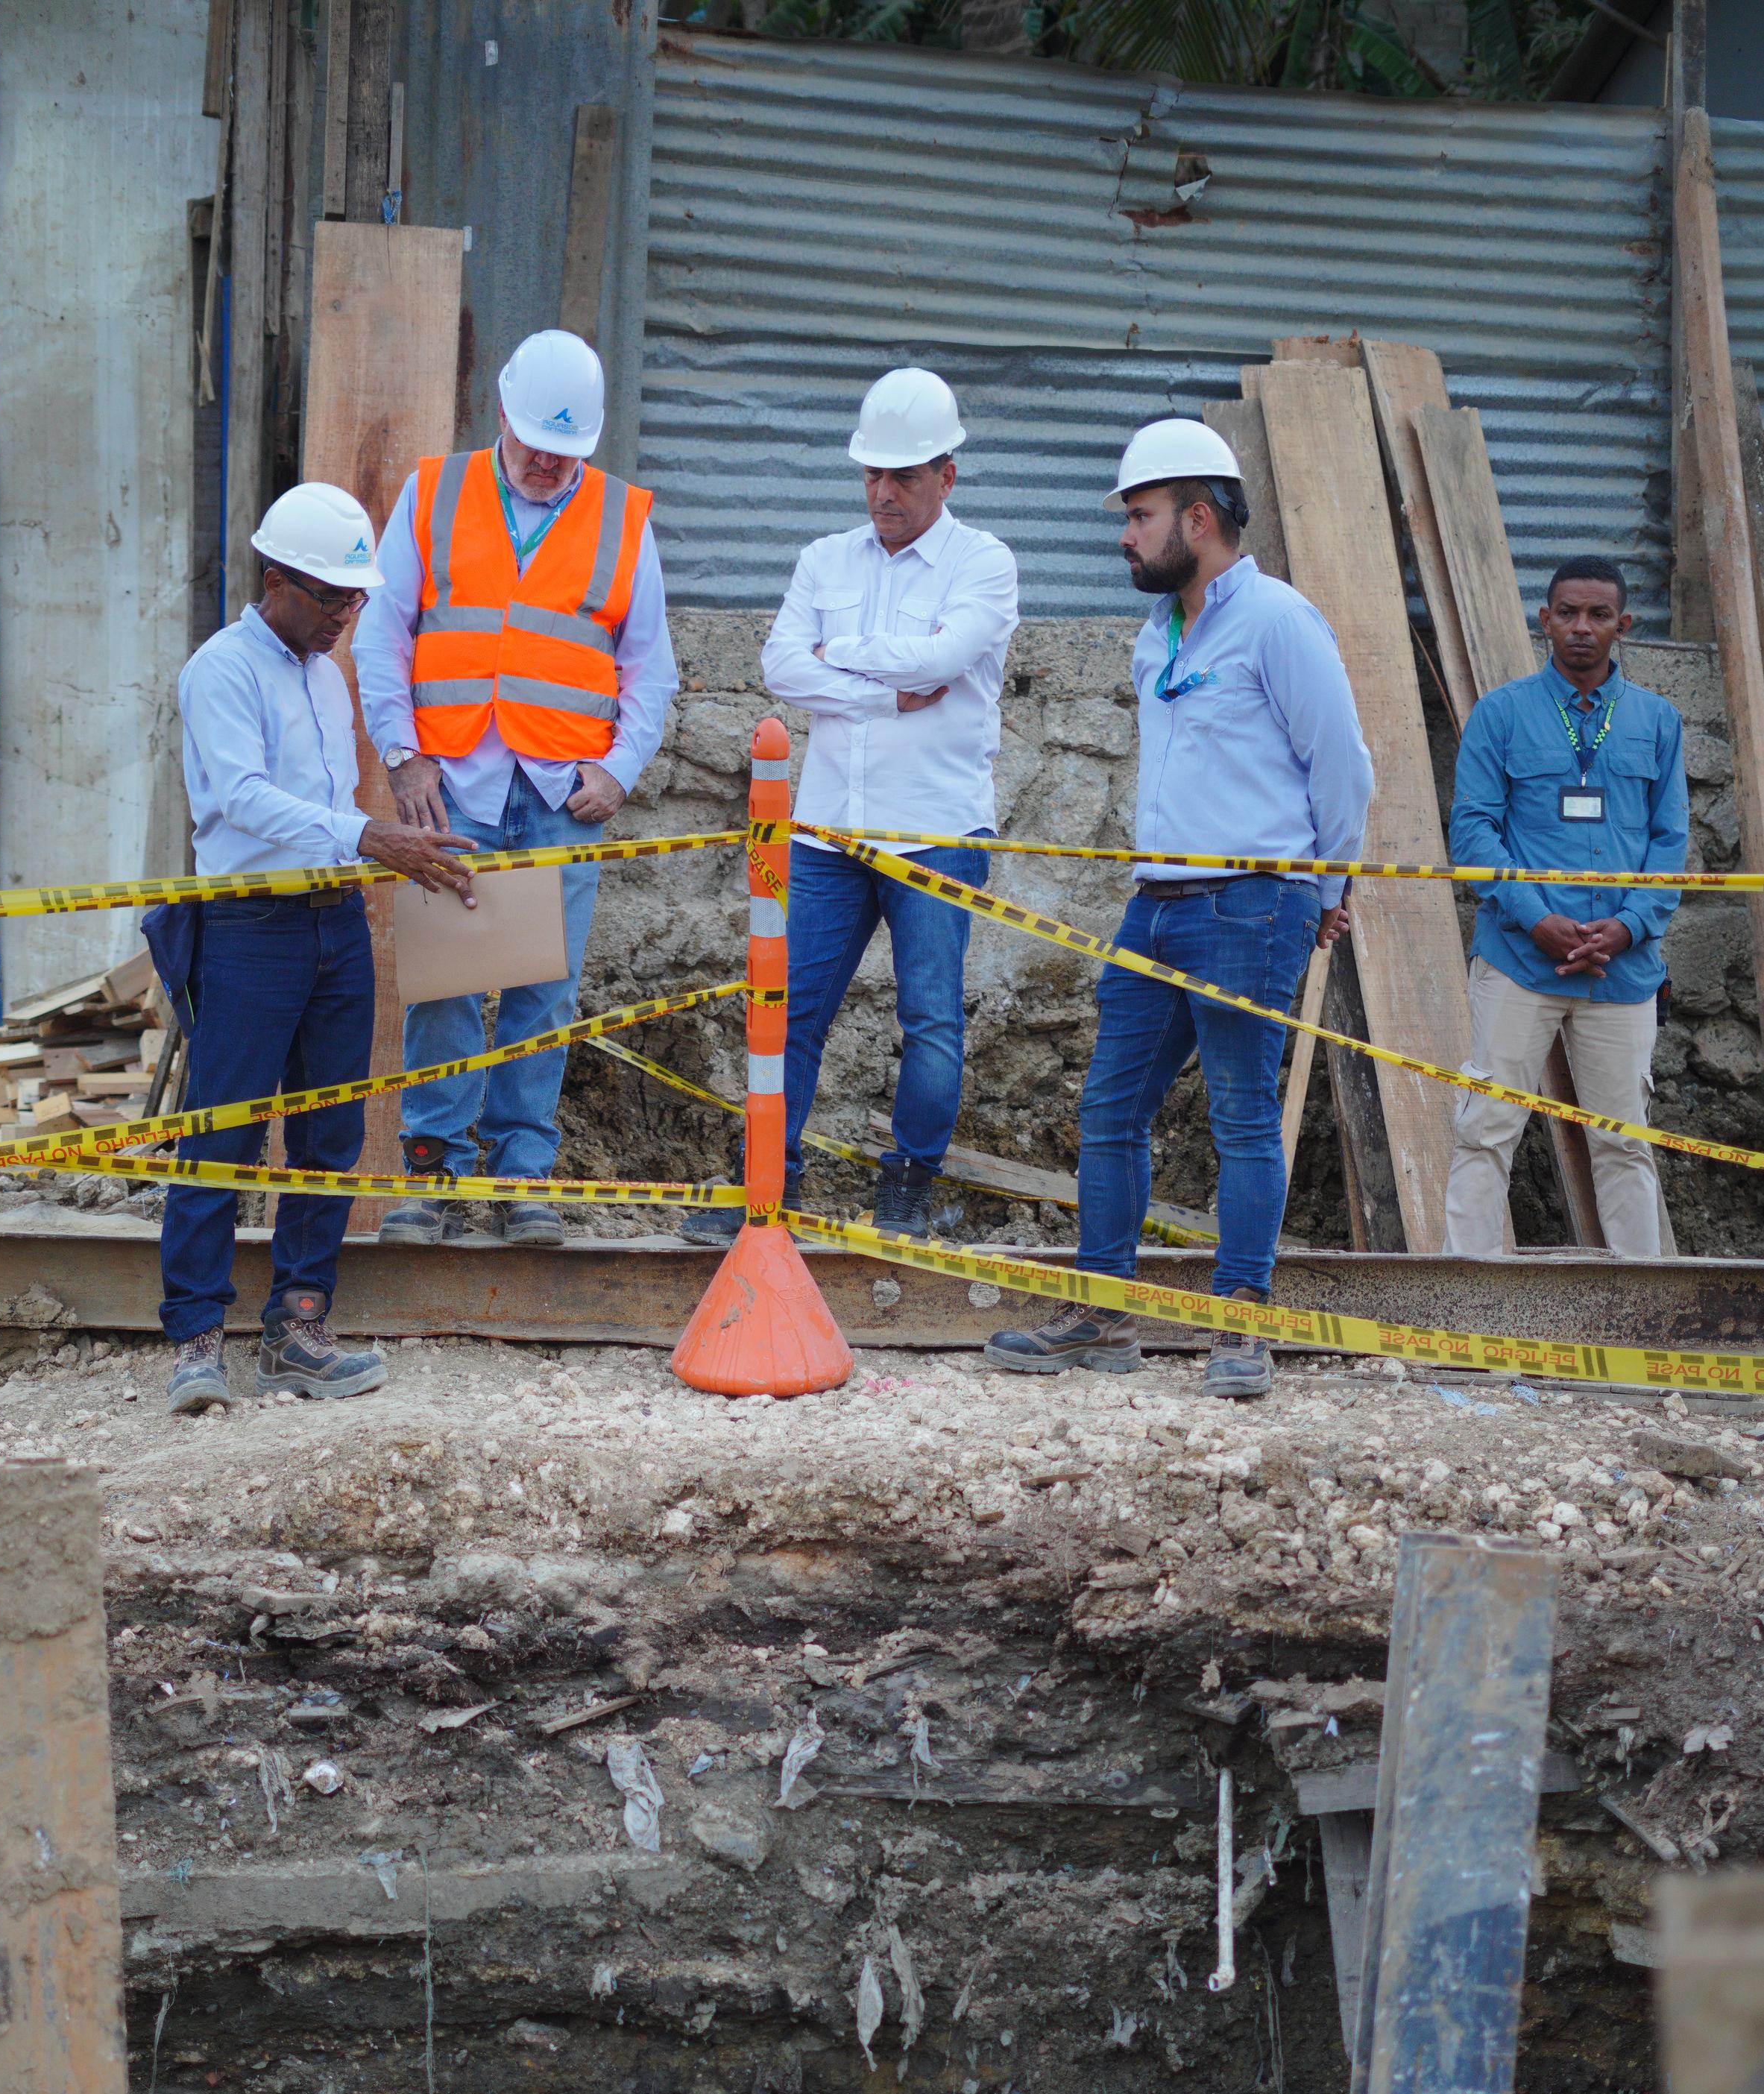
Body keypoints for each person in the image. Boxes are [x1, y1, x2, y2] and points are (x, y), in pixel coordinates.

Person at [986, 417, 1373, 1401]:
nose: (1124, 534)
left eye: (1140, 515)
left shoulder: (1279, 622)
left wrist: (1319, 892)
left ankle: (1240, 1328)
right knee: (1109, 1107)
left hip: (1252, 905)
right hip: (1155, 903)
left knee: (1244, 1118)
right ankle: (1102, 1315)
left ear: (1197, 519)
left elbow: (1344, 771)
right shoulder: (1152, 636)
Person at [683, 365, 1019, 1249]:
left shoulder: (984, 563)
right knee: (787, 1008)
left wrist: (846, 655)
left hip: (935, 830)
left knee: (932, 1022)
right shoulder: (822, 558)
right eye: (871, 473)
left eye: (903, 476)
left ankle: (905, 1196)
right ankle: (767, 1186)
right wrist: (881, 687)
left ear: (946, 475)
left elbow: (940, 659)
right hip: (829, 829)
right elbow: (779, 668)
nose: (883, 492)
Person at [353, 328, 677, 1248]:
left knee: (543, 989)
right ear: (500, 412)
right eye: (535, 441)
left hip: (558, 792)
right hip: (449, 784)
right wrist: (400, 753)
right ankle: (434, 1177)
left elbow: (650, 666)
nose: (546, 463)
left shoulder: (622, 519)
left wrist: (620, 768)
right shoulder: (432, 493)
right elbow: (384, 634)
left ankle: (523, 1176)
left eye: (566, 450)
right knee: (447, 984)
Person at [162, 480, 473, 1416]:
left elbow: (330, 810)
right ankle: (194, 1337)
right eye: (331, 598)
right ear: (275, 580)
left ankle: (298, 1325)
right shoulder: (222, 670)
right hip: (251, 925)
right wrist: (374, 838)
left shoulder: (322, 676)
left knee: (330, 1130)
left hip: (333, 921)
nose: (347, 615)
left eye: (355, 600)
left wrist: (389, 854)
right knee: (223, 1128)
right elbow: (244, 799)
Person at [1443, 556, 1686, 1259]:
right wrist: (1534, 917)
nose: (1582, 628)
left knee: (1625, 1143)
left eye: (1599, 615)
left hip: (1622, 970)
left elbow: (1670, 842)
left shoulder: (1656, 721)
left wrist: (1629, 926)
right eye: (1568, 614)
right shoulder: (1502, 714)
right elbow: (1474, 829)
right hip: (1521, 959)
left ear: (1623, 626)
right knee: (1486, 1128)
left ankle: (1638, 1321)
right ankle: (1471, 1308)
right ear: (1543, 620)